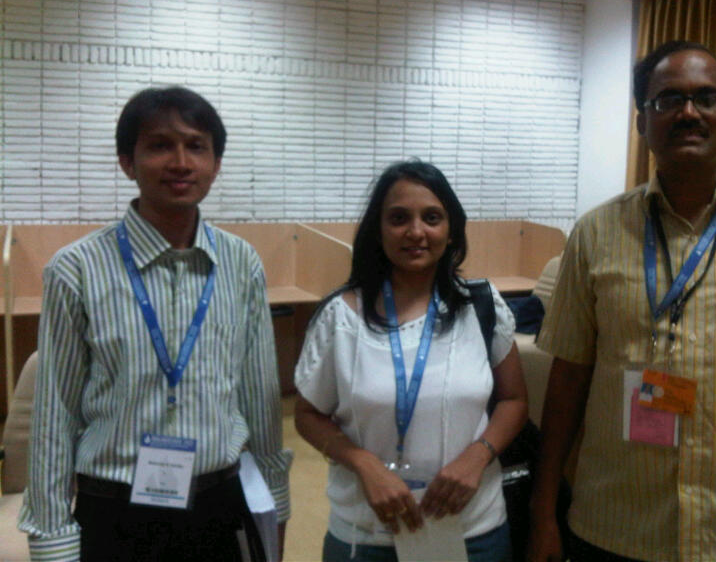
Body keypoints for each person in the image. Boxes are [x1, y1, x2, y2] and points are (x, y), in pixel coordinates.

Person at [528, 40, 716, 562]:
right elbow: (567, 379)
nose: (689, 112)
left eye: (708, 98)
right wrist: (544, 511)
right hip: (617, 526)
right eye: (668, 100)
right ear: (642, 122)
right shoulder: (595, 233)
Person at [17, 86, 291, 561]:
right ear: (128, 161)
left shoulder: (241, 262)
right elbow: (54, 416)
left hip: (218, 505)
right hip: (115, 509)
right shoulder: (76, 269)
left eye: (196, 146)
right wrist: (52, 539)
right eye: (160, 145)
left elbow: (259, 399)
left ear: (216, 163)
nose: (181, 161)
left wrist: (275, 506)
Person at [294, 160, 529, 561]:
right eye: (399, 218)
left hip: (473, 530)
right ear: (378, 229)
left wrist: (478, 456)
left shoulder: (482, 307)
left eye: (432, 218)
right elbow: (307, 414)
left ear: (451, 228)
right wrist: (363, 464)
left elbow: (514, 400)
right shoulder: (342, 316)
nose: (416, 232)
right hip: (367, 535)